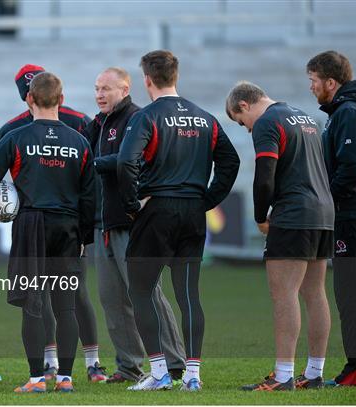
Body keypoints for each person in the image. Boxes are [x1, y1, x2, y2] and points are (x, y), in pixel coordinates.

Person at [117, 50, 240, 391]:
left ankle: (158, 374)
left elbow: (126, 162)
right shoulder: (205, 117)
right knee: (188, 294)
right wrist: (208, 199)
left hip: (157, 210)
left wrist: (130, 205)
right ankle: (193, 376)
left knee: (140, 290)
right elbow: (230, 161)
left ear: (147, 80)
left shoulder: (147, 116)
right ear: (176, 76)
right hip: (192, 212)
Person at [0, 72, 95, 393]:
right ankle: (65, 378)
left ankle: (37, 378)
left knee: (33, 303)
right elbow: (91, 196)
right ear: (61, 100)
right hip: (68, 228)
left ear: (29, 99)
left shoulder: (17, 138)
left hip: (31, 226)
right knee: (66, 306)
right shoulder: (79, 142)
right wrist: (85, 238)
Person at [226, 81, 334, 391]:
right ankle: (314, 373)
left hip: (293, 214)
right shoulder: (304, 117)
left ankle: (283, 375)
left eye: (240, 121)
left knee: (284, 294)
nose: (246, 129)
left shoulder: (267, 122)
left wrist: (261, 217)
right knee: (315, 294)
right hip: (323, 213)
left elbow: (264, 178)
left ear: (244, 105)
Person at [84, 66, 186, 383]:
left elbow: (136, 160)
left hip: (132, 221)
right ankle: (129, 365)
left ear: (126, 90)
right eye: (97, 88)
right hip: (103, 223)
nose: (100, 94)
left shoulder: (137, 118)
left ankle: (174, 362)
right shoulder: (97, 124)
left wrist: (95, 163)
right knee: (111, 297)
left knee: (146, 292)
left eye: (107, 89)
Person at [307, 51, 356, 386]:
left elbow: (352, 168)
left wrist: (327, 202)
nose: (311, 87)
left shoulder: (348, 112)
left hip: (355, 215)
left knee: (353, 294)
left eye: (314, 80)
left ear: (331, 82)